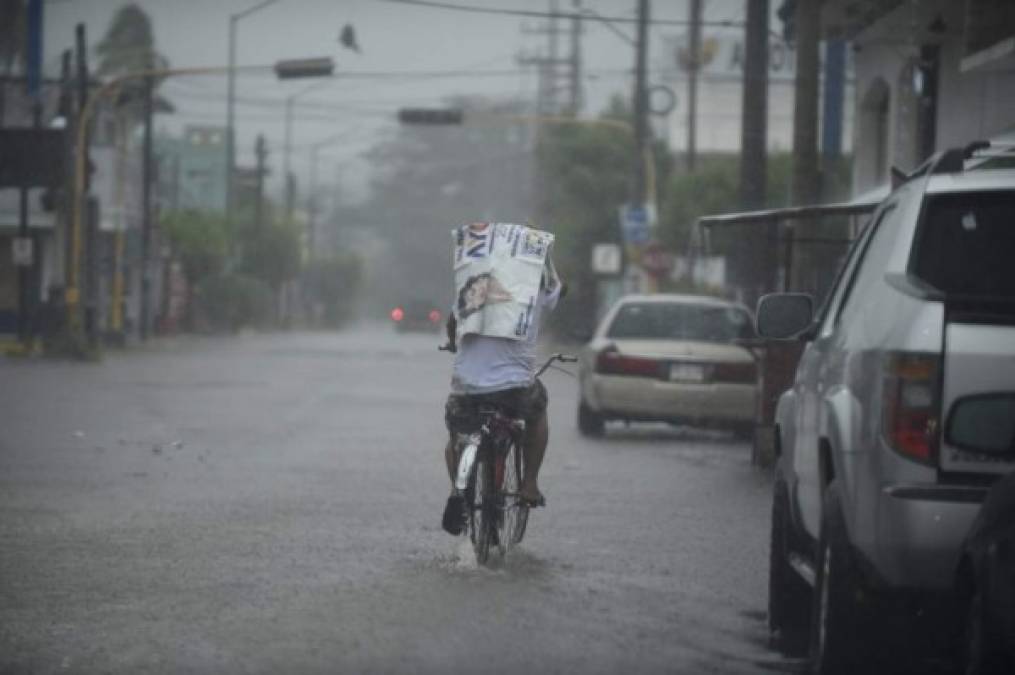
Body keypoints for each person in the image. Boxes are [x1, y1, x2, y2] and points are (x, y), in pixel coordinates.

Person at [441, 258, 565, 533]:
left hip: (468, 388)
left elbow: (453, 324)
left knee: (457, 436)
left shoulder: (472, 290)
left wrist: (453, 343)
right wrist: (547, 258)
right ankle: (530, 483)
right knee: (538, 411)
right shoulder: (533, 289)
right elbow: (559, 288)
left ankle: (456, 489)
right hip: (515, 389)